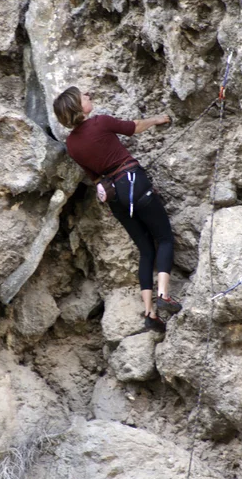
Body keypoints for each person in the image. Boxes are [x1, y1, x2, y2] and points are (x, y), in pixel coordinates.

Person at [53, 86, 182, 333]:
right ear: (78, 107)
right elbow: (133, 127)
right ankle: (164, 295)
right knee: (164, 238)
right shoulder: (100, 122)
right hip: (134, 182)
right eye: (83, 97)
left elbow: (93, 176)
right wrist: (157, 119)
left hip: (115, 196)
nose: (89, 96)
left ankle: (150, 313)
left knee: (146, 250)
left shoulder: (71, 144)